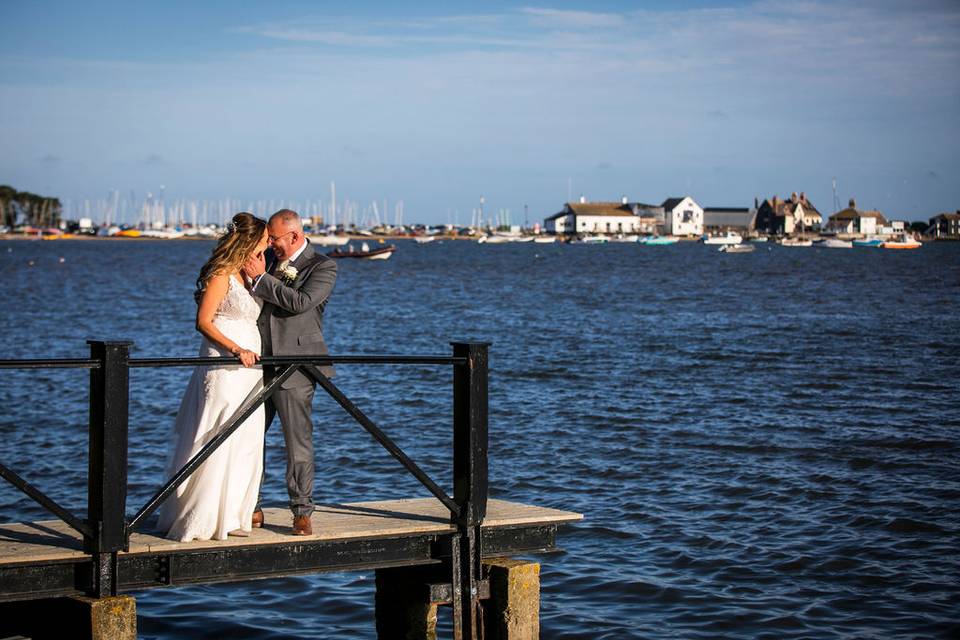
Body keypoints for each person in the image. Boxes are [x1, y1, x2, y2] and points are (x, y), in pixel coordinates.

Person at [158, 213, 268, 542]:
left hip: (251, 369)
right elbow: (204, 322)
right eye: (264, 238)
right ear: (249, 240)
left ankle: (233, 513)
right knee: (216, 431)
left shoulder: (250, 275)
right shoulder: (221, 274)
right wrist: (236, 349)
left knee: (245, 437)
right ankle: (201, 515)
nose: (268, 243)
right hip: (225, 362)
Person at [243, 209, 338, 536]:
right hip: (256, 365)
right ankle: (250, 506)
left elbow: (300, 302)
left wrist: (260, 279)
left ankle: (301, 511)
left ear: (295, 237)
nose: (270, 243)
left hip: (295, 367)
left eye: (274, 238)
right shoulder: (265, 259)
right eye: (268, 238)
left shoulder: (322, 266)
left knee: (297, 443)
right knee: (249, 439)